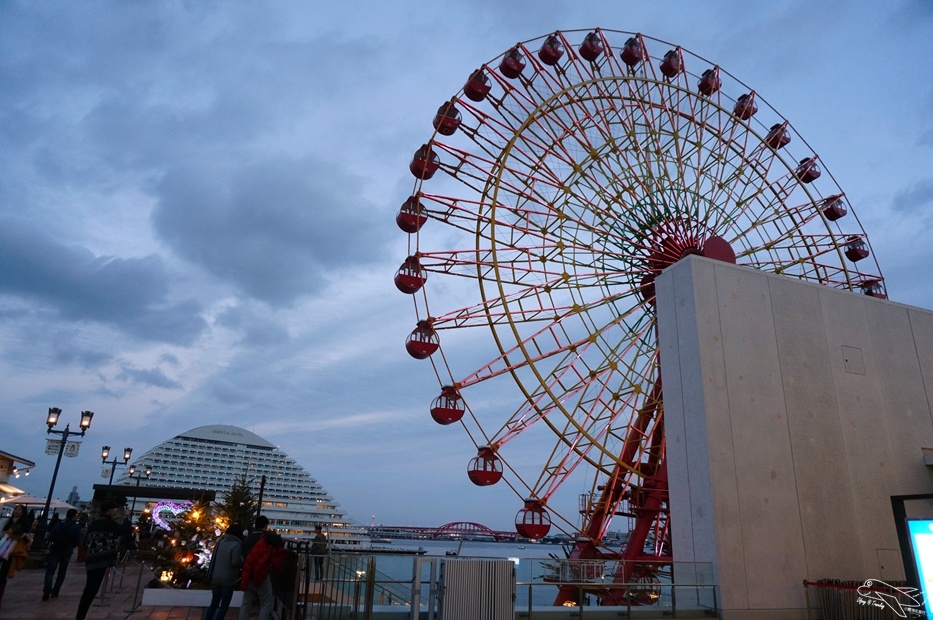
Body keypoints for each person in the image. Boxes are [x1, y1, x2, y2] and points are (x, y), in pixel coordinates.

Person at [75, 500, 124, 620]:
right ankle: (80, 616)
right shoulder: (108, 523)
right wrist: (126, 516)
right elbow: (123, 530)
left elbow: (86, 541)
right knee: (92, 589)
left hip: (91, 559)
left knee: (90, 588)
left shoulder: (94, 523)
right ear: (109, 510)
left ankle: (81, 614)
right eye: (114, 509)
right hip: (100, 560)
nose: (115, 511)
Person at [239, 531, 286, 620]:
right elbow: (276, 564)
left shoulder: (260, 543)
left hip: (250, 575)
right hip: (261, 576)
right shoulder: (272, 548)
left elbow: (250, 562)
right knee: (266, 603)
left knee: (246, 602)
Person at [204, 523, 245, 620]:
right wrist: (242, 559)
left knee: (214, 603)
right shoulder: (236, 545)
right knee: (224, 605)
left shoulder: (220, 542)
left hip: (216, 577)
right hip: (228, 579)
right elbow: (235, 562)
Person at [0, 504, 35, 612]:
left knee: (3, 573)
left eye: (19, 509)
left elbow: (28, 540)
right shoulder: (8, 522)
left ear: (23, 512)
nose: (17, 511)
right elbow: (2, 532)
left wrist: (21, 536)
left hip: (13, 551)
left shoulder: (25, 524)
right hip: (2, 546)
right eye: (16, 509)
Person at [43, 508, 82, 601]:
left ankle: (47, 590)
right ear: (74, 516)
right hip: (67, 551)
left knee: (50, 571)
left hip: (55, 550)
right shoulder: (76, 527)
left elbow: (51, 537)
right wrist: (72, 545)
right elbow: (77, 540)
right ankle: (55, 592)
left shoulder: (58, 525)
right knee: (62, 572)